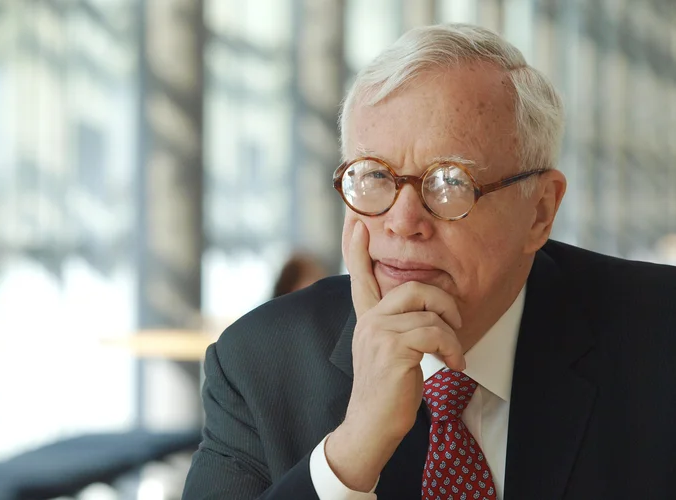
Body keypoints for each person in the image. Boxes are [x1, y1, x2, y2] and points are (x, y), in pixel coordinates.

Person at [183, 24, 676, 500]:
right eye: (374, 175)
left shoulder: (659, 335)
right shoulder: (259, 363)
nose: (402, 221)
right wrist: (350, 456)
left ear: (540, 211)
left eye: (450, 182)